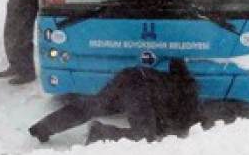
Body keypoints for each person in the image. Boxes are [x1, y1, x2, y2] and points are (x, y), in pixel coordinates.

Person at [29, 59, 200, 144]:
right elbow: (164, 125)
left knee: (92, 105)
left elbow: (176, 63)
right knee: (145, 136)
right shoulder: (187, 106)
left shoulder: (186, 87)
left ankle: (43, 127)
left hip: (130, 76)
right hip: (140, 87)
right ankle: (100, 132)